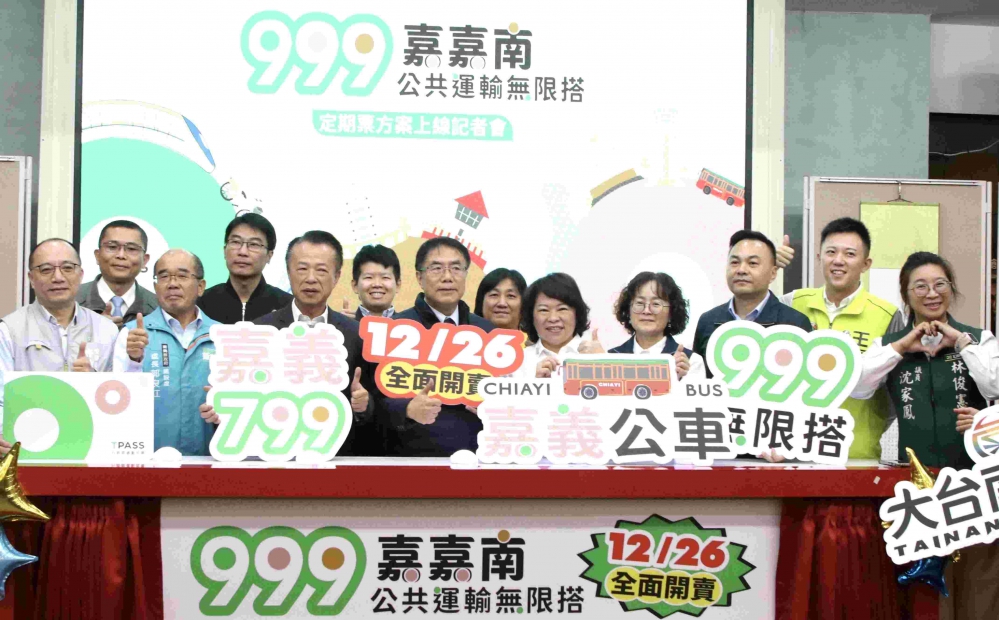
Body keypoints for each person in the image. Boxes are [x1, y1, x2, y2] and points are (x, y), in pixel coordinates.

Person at [852, 252, 999, 470]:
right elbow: (857, 387)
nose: (932, 293)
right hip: (912, 475)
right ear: (906, 295)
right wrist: (901, 347)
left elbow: (994, 388)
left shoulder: (979, 338)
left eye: (940, 284)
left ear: (951, 288)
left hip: (971, 475)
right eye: (921, 286)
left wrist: (962, 343)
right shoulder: (888, 344)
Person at [778, 218, 903, 459]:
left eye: (850, 254)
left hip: (856, 453)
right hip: (794, 451)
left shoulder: (887, 315)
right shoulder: (792, 303)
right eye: (831, 252)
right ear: (819, 257)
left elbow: (895, 392)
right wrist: (768, 267)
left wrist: (871, 427)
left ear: (866, 264)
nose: (838, 260)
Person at [247, 231, 376, 455]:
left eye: (321, 270)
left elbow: (375, 402)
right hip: (276, 454)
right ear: (289, 272)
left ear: (336, 276)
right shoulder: (260, 331)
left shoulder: (357, 334)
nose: (311, 278)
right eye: (302, 269)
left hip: (336, 456)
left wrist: (365, 405)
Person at [0, 239, 119, 450]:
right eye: (46, 269)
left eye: (67, 268)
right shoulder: (9, 329)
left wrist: (94, 381)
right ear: (31, 278)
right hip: (27, 446)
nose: (58, 277)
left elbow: (119, 396)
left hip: (90, 446)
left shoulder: (107, 330)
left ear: (81, 274)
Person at [381, 237, 494, 457]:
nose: (447, 277)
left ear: (466, 275)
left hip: (477, 456)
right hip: (415, 456)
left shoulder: (487, 331)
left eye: (456, 268)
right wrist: (406, 409)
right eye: (436, 268)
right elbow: (375, 400)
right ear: (419, 277)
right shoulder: (396, 330)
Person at [114, 249, 218, 456]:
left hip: (208, 461)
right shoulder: (132, 334)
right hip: (148, 461)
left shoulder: (221, 335)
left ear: (201, 286)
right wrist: (134, 360)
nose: (172, 284)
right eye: (163, 276)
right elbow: (118, 403)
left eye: (182, 276)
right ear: (155, 287)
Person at [693, 230, 812, 376]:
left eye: (752, 263)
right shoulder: (708, 321)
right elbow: (700, 380)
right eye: (735, 262)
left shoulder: (795, 324)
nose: (741, 270)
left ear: (773, 273)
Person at [608, 271, 705, 380]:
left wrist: (676, 378)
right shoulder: (610, 358)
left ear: (671, 313)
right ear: (628, 311)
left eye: (656, 304)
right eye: (639, 303)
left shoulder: (690, 361)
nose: (646, 311)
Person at [199, 213, 292, 324]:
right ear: (224, 250)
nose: (242, 252)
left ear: (269, 255)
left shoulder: (288, 306)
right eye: (235, 242)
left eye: (254, 244)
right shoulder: (200, 304)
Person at [517, 273, 605, 379]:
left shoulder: (599, 355)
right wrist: (536, 384)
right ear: (531, 316)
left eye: (562, 309)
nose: (553, 318)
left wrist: (604, 363)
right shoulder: (518, 362)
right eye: (544, 310)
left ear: (577, 313)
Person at [77, 220, 158, 327]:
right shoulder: (72, 301)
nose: (121, 255)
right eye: (112, 247)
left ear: (145, 260)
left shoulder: (159, 308)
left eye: (131, 249)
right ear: (97, 255)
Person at [347, 244, 400, 320]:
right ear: (355, 285)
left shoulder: (409, 326)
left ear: (398, 285)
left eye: (385, 277)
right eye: (369, 277)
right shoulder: (340, 325)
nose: (377, 284)